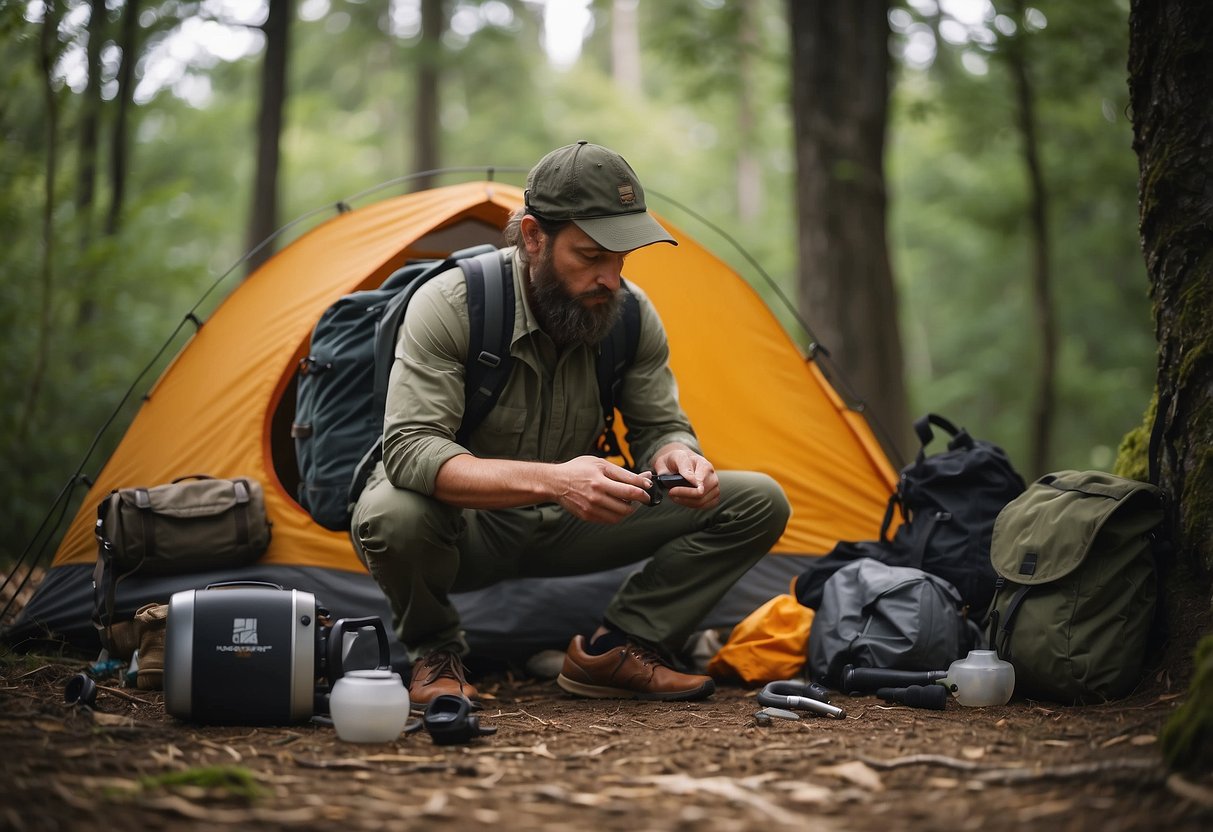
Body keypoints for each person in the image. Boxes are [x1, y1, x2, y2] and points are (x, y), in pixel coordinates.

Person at [351, 141, 791, 707]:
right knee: (393, 513)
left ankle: (621, 649)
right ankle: (435, 652)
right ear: (534, 237)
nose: (610, 278)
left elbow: (659, 427)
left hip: (575, 522)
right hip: (466, 530)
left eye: (622, 258)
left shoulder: (630, 315)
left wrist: (677, 457)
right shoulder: (453, 304)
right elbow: (410, 451)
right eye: (590, 256)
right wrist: (556, 480)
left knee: (758, 500)